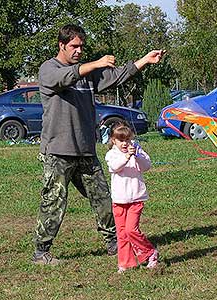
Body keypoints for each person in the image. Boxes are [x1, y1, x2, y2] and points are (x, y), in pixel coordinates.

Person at [32, 24, 165, 265]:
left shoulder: (88, 75)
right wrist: (95, 63)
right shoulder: (49, 69)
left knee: (104, 198)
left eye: (82, 46)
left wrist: (144, 60)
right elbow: (65, 77)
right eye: (74, 46)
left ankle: (116, 242)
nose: (79, 50)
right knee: (54, 201)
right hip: (58, 151)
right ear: (61, 45)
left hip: (85, 149)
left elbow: (116, 76)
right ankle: (41, 252)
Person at [105, 121, 158, 273]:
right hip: (119, 201)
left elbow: (146, 166)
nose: (125, 143)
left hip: (136, 198)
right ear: (113, 140)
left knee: (131, 230)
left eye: (127, 139)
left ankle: (149, 252)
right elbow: (115, 167)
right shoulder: (112, 154)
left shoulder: (137, 149)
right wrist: (127, 157)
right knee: (122, 234)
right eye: (121, 140)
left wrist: (136, 155)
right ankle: (125, 263)